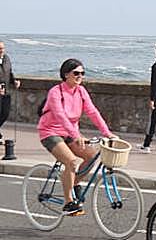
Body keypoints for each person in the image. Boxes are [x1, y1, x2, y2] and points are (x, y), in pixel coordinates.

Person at [36, 59, 114, 215]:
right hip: (50, 132)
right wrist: (75, 135)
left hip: (69, 132)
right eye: (76, 73)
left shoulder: (81, 91)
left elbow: (93, 112)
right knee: (71, 161)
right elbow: (59, 115)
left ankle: (74, 182)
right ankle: (68, 202)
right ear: (66, 75)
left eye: (82, 73)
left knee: (91, 155)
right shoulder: (55, 92)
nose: (80, 76)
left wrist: (107, 133)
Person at [0, 40, 19, 141]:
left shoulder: (6, 58)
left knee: (5, 114)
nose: (1, 51)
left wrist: (14, 81)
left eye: (2, 48)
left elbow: (9, 72)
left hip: (6, 91)